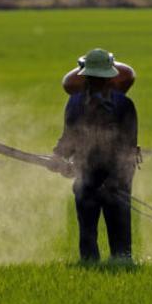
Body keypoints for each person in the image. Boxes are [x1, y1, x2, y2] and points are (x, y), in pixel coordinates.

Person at [50, 48, 140, 263]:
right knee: (100, 230)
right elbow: (69, 138)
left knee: (103, 230)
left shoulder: (119, 105)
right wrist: (58, 157)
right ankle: (106, 263)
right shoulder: (80, 103)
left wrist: (113, 181)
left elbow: (127, 148)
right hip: (94, 176)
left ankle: (110, 263)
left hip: (110, 178)